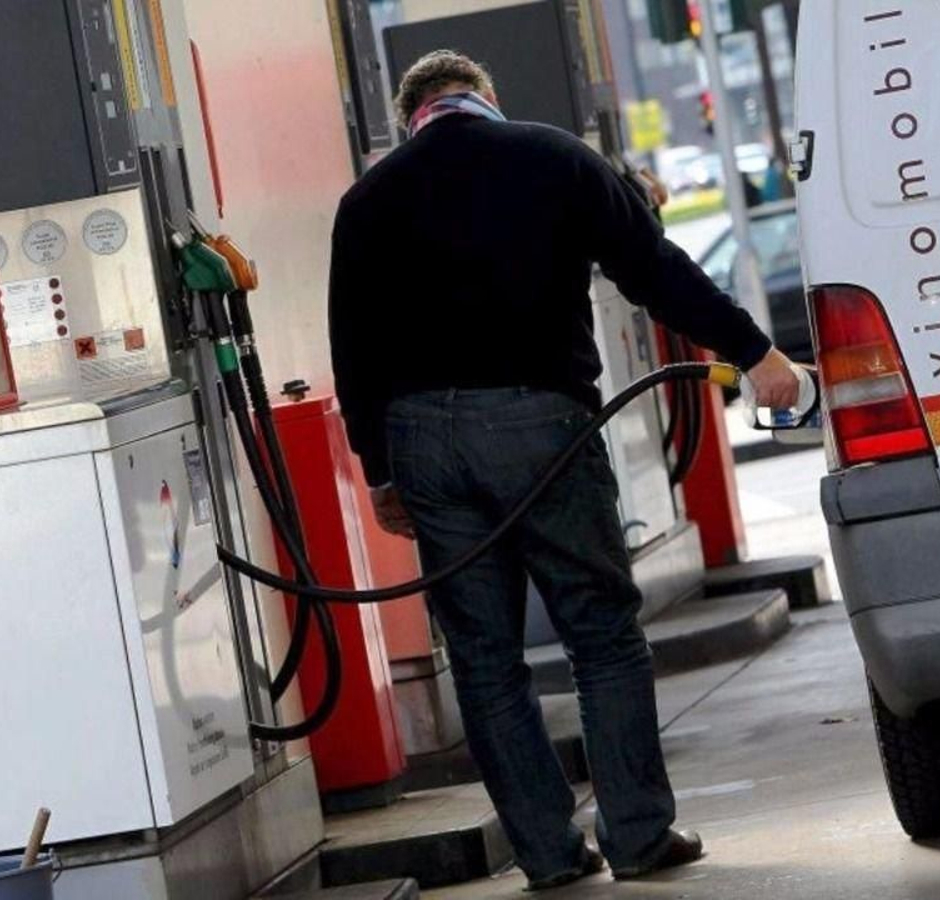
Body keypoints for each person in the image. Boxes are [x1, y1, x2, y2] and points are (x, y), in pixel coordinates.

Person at [328, 51, 800, 891]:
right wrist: (755, 353)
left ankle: (548, 854)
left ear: (411, 118)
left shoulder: (368, 200)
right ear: (486, 99)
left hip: (424, 444)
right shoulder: (553, 157)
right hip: (540, 421)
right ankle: (638, 833)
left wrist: (380, 474)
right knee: (600, 634)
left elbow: (353, 351)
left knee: (482, 656)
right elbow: (656, 272)